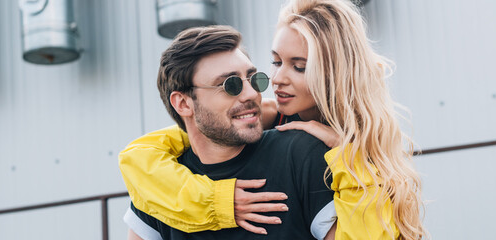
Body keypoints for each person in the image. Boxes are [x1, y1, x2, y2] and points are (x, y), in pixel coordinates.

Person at [120, 0, 427, 239]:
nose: (276, 79)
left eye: (300, 66)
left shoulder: (316, 151)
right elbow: (142, 157)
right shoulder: (267, 116)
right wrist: (217, 201)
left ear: (334, 76)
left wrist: (349, 155)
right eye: (276, 62)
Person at [123, 25, 338, 240]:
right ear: (183, 103)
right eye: (230, 85)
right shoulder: (159, 193)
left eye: (254, 79)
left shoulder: (300, 153)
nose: (252, 93)